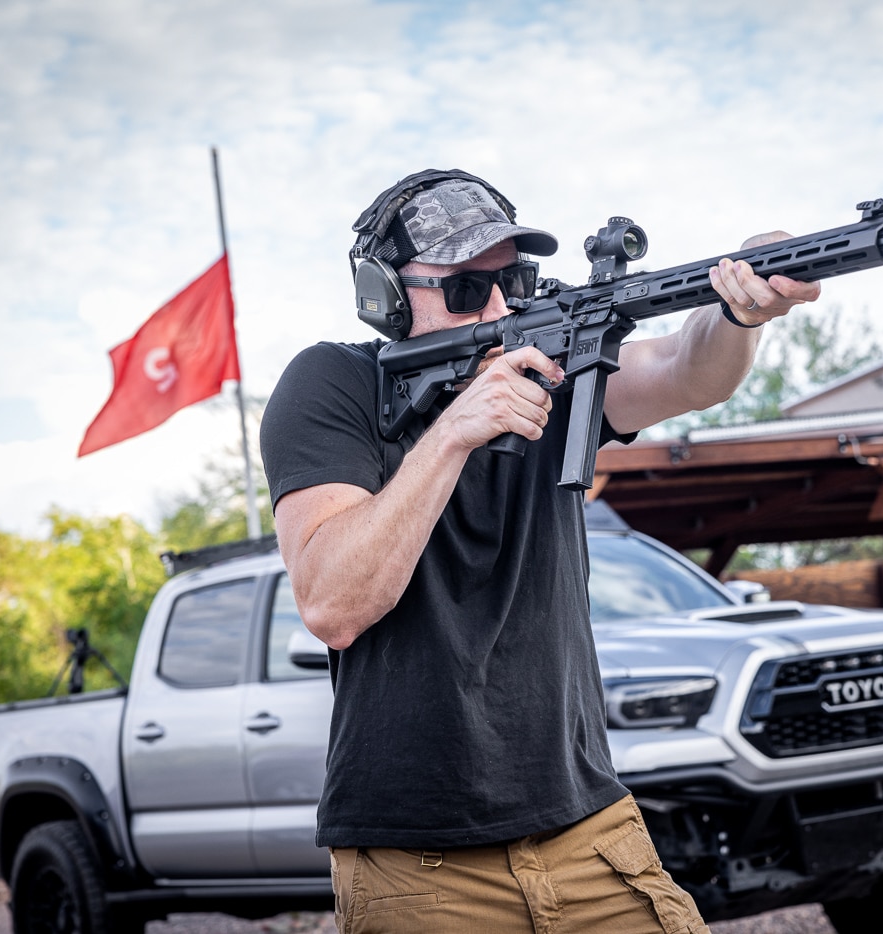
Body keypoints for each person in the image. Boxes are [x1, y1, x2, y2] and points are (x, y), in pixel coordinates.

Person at [260, 170, 820, 934]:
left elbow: (685, 369)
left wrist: (739, 310)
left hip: (589, 825)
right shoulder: (335, 385)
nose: (498, 308)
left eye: (514, 281)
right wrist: (456, 432)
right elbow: (335, 603)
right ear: (384, 295)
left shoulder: (550, 372)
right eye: (466, 289)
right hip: (419, 860)